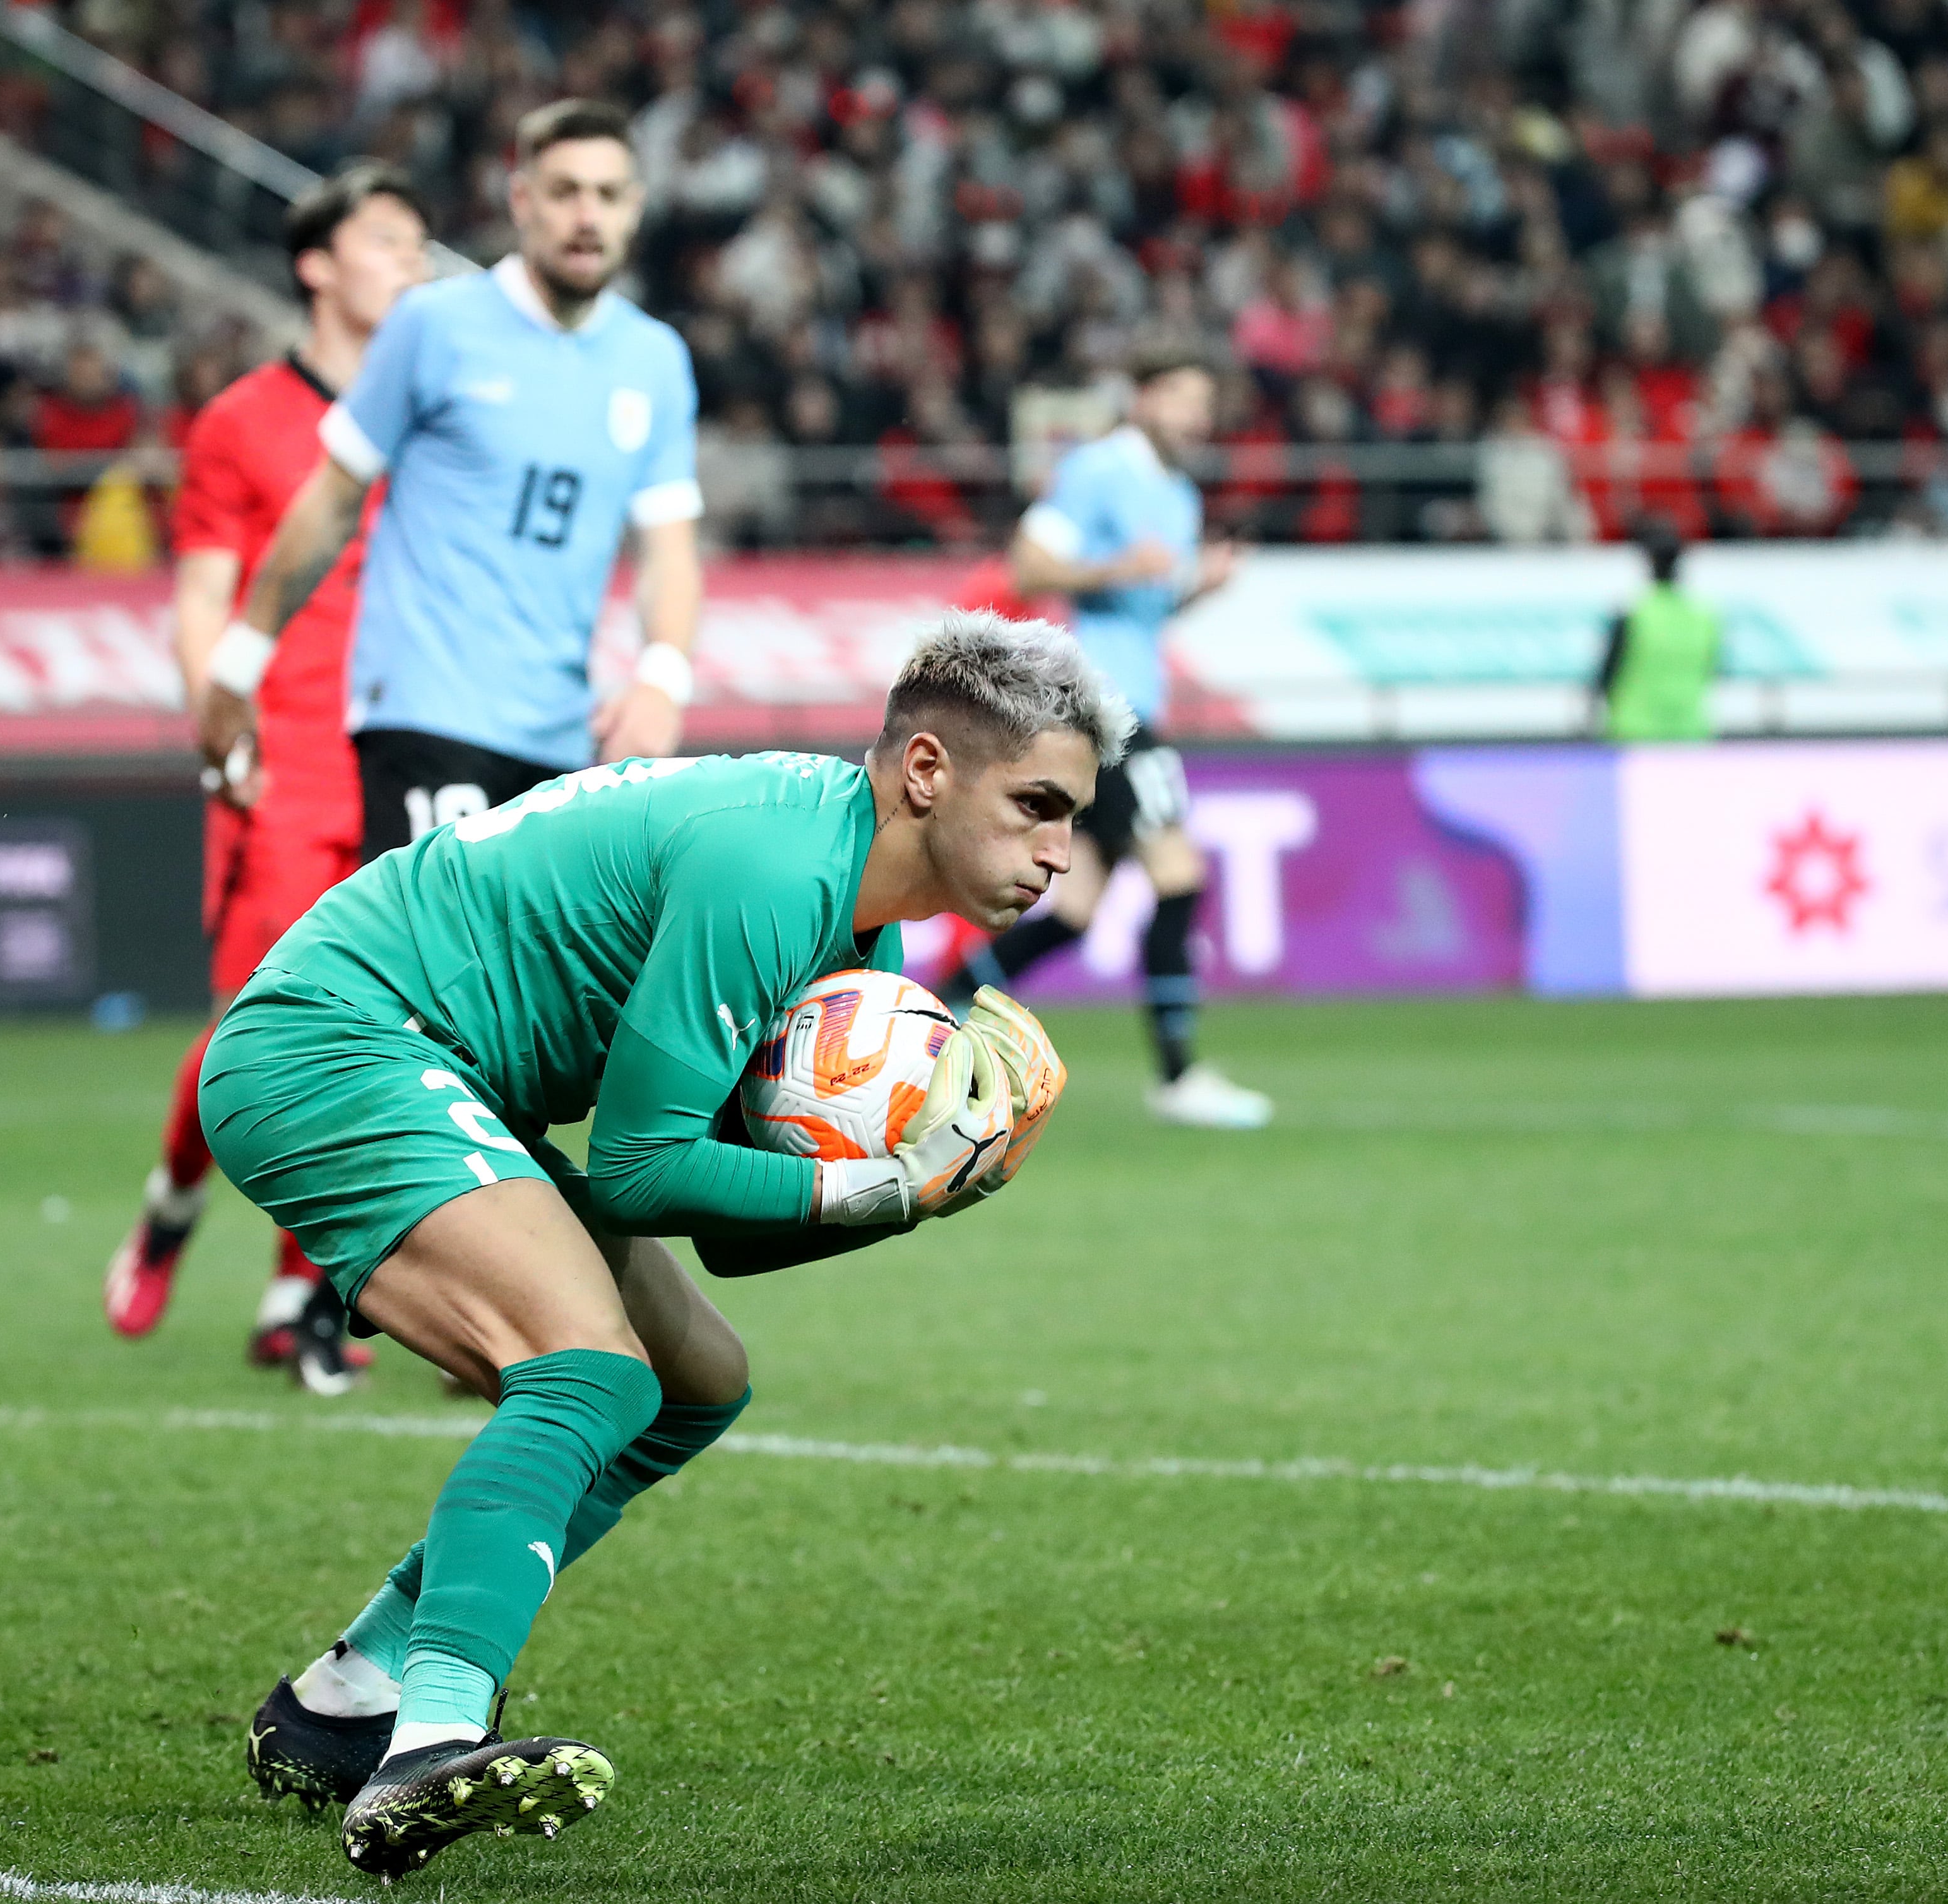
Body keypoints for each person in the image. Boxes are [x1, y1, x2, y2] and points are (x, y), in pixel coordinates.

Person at [210, 612, 1112, 1879]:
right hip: (339, 1044)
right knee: (589, 1368)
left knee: (695, 1380)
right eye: (1035, 804)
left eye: (1070, 815)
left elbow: (726, 1234)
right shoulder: (776, 870)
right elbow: (638, 1167)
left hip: (441, 1076)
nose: (1058, 851)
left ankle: (345, 1697)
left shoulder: (860, 929)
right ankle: (428, 1741)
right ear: (924, 771)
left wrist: (926, 1190)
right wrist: (887, 1191)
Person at [101, 162, 431, 1395]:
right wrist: (217, 721)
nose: (411, 261)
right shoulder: (242, 420)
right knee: (258, 1023)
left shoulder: (433, 413)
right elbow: (200, 594)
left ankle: (302, 1289)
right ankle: (171, 1201)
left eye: (419, 242)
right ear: (317, 263)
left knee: (375, 1028)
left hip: (402, 745)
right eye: (389, 240)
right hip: (282, 754)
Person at [198, 98, 703, 860]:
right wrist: (237, 667)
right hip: (426, 716)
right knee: (443, 975)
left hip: (563, 739)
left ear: (635, 207)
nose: (586, 216)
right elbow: (333, 502)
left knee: (544, 981)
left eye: (607, 194)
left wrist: (662, 677)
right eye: (564, 191)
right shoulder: (435, 325)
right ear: (521, 201)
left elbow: (669, 550)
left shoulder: (654, 359)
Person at [933, 348, 1274, 1131]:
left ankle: (945, 1006)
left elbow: (1144, 604)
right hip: (1108, 710)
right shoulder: (1096, 470)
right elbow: (1026, 566)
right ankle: (1179, 1075)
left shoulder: (1179, 495)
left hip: (1131, 699)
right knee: (1178, 876)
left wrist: (1194, 588)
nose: (1197, 417)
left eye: (1204, 403)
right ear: (1143, 398)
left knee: (1076, 906)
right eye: (1182, 398)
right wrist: (1120, 564)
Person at [1595, 517, 1722, 742]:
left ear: (1648, 564)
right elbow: (1714, 670)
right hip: (1689, 732)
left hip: (1634, 732)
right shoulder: (1705, 618)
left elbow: (1606, 676)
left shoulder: (1633, 616)